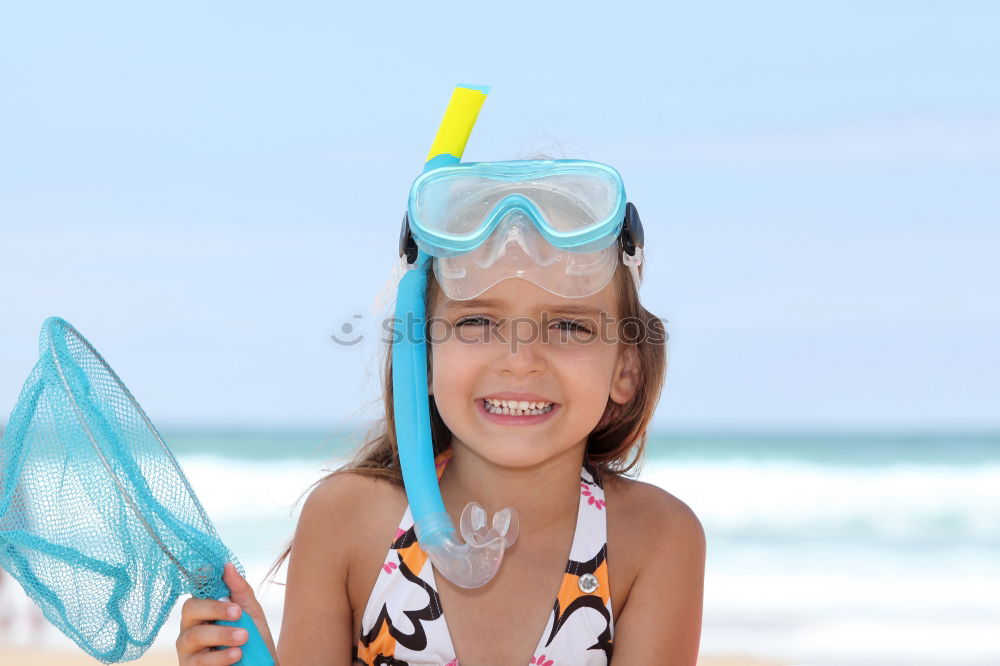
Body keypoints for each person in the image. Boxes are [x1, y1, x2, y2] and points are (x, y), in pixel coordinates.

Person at [176, 86, 705, 666]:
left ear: (625, 369)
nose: (520, 359)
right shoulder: (350, 522)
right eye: (477, 321)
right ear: (421, 359)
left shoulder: (654, 540)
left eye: (570, 328)